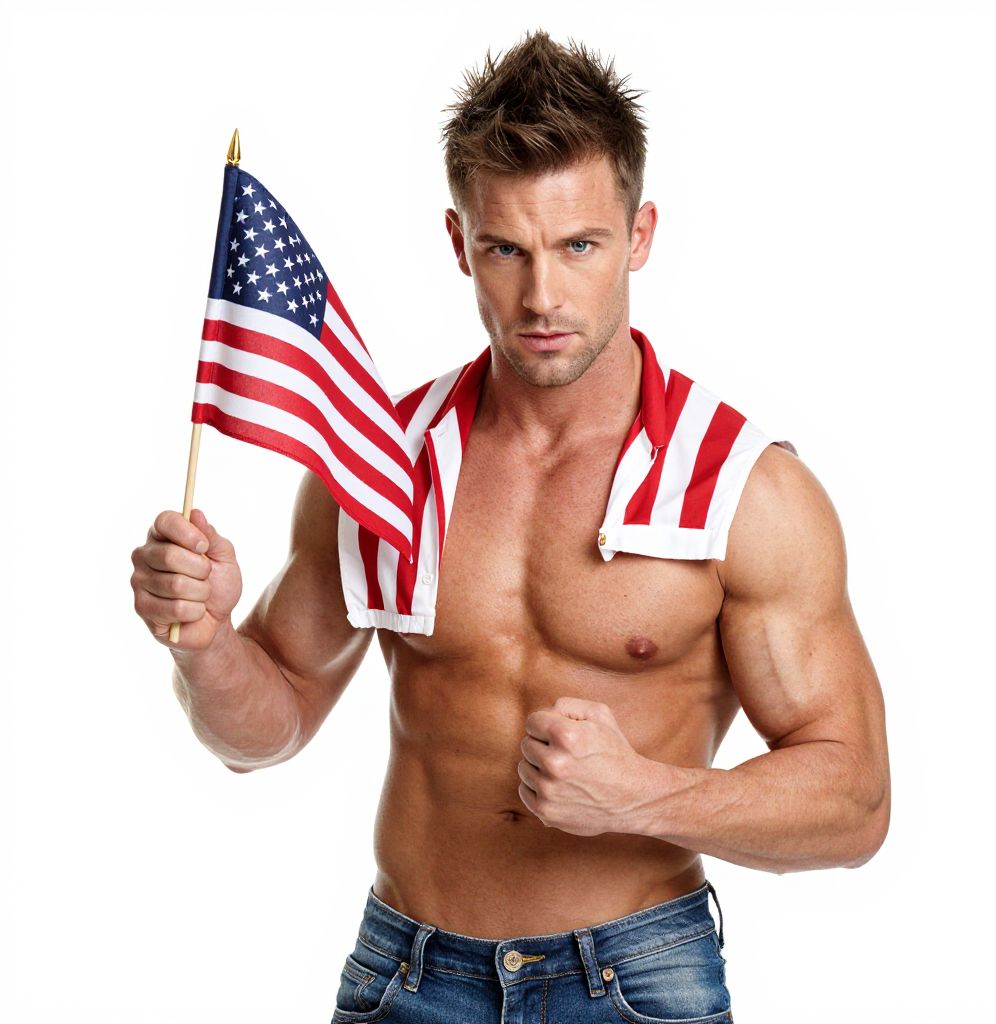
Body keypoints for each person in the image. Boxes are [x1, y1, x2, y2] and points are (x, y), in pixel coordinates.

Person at [130, 29, 890, 1024]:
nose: (541, 297)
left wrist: (641, 796)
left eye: (580, 246)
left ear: (641, 234)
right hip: (405, 971)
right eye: (505, 249)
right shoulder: (381, 461)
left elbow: (854, 801)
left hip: (632, 978)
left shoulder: (745, 491)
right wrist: (208, 641)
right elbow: (264, 728)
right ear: (459, 243)